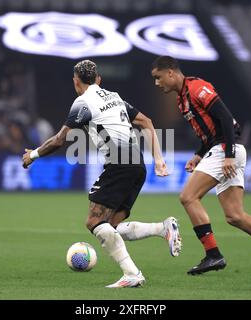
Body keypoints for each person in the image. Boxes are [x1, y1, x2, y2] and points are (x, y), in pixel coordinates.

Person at [22, 60, 182, 288]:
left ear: (76, 81)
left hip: (119, 163)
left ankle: (132, 274)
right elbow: (146, 122)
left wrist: (33, 155)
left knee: (94, 221)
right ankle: (162, 228)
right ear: (98, 79)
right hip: (137, 164)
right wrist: (158, 159)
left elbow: (60, 139)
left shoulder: (83, 102)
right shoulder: (114, 97)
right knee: (112, 226)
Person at [150, 56, 251, 276]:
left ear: (171, 72)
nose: (157, 83)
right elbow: (209, 133)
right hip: (223, 150)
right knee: (235, 216)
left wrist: (229, 155)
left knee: (188, 197)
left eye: (158, 77)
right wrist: (198, 155)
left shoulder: (197, 88)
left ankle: (213, 255)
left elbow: (225, 118)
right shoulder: (181, 99)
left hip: (226, 150)